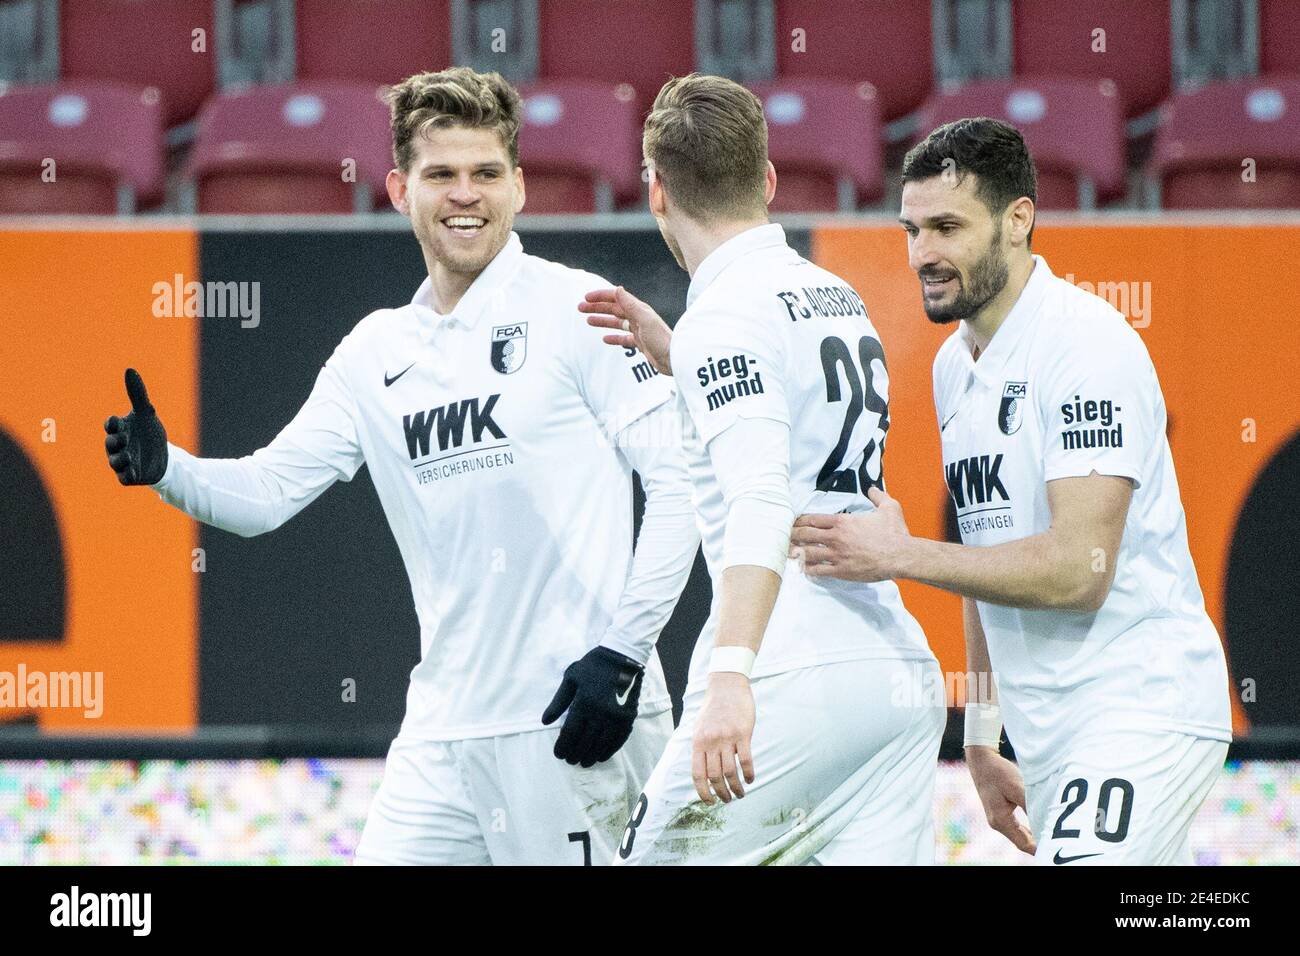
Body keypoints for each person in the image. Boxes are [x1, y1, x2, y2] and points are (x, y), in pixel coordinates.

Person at [102, 66, 699, 866]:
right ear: (396, 188)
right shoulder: (375, 351)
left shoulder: (577, 308)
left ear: (519, 188)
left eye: (487, 173)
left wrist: (625, 656)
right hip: (442, 735)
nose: (466, 195)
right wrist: (166, 467)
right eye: (441, 174)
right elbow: (268, 491)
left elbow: (680, 486)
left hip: (577, 717)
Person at [788, 118, 1232, 864]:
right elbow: (985, 549)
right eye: (912, 229)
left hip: (1141, 706)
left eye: (947, 227)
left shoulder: (1087, 347)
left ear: (1018, 219)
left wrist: (901, 555)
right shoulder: (953, 366)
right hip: (1051, 734)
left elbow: (1075, 571)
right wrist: (982, 733)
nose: (922, 253)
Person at [583, 74, 943, 865]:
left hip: (790, 675)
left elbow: (759, 497)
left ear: (657, 190)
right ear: (769, 180)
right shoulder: (832, 292)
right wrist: (679, 355)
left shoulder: (723, 316)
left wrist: (730, 677)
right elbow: (790, 423)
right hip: (893, 679)